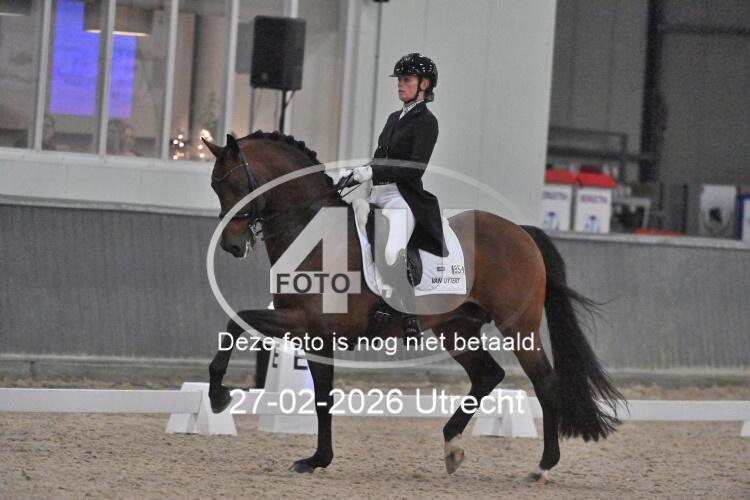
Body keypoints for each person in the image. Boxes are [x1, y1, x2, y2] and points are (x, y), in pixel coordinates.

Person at [351, 52, 448, 343]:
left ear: (424, 84)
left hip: (401, 196)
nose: (400, 84)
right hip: (376, 193)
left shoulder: (427, 122)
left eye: (406, 79)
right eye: (399, 80)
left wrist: (373, 171)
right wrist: (353, 174)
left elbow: (415, 167)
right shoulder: (394, 118)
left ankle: (408, 316)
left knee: (392, 249)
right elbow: (380, 158)